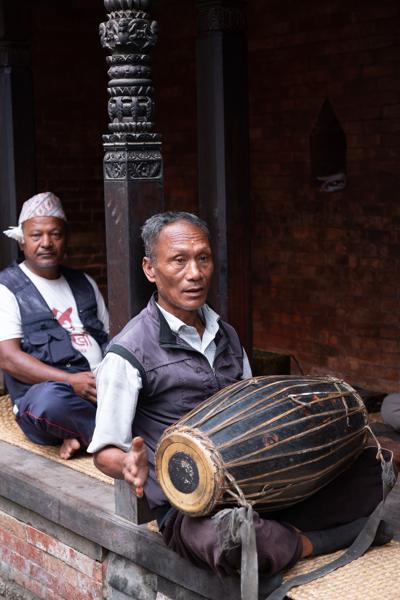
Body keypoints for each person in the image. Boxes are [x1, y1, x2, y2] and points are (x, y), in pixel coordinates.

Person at [89, 211, 392, 579]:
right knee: (234, 541)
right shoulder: (128, 352)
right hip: (192, 509)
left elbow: (254, 411)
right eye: (179, 260)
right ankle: (323, 539)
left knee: (379, 463)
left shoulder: (226, 335)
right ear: (151, 269)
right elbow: (105, 450)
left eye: (203, 258)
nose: (195, 273)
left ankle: (285, 534)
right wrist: (127, 466)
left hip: (261, 486)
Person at [0, 192, 109, 459]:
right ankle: (115, 441)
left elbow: (110, 338)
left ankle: (80, 436)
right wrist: (71, 381)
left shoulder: (84, 283)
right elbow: (8, 358)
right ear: (22, 241)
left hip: (99, 388)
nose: (46, 243)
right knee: (48, 404)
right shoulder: (8, 288)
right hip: (51, 394)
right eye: (36, 235)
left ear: (66, 239)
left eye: (55, 234)